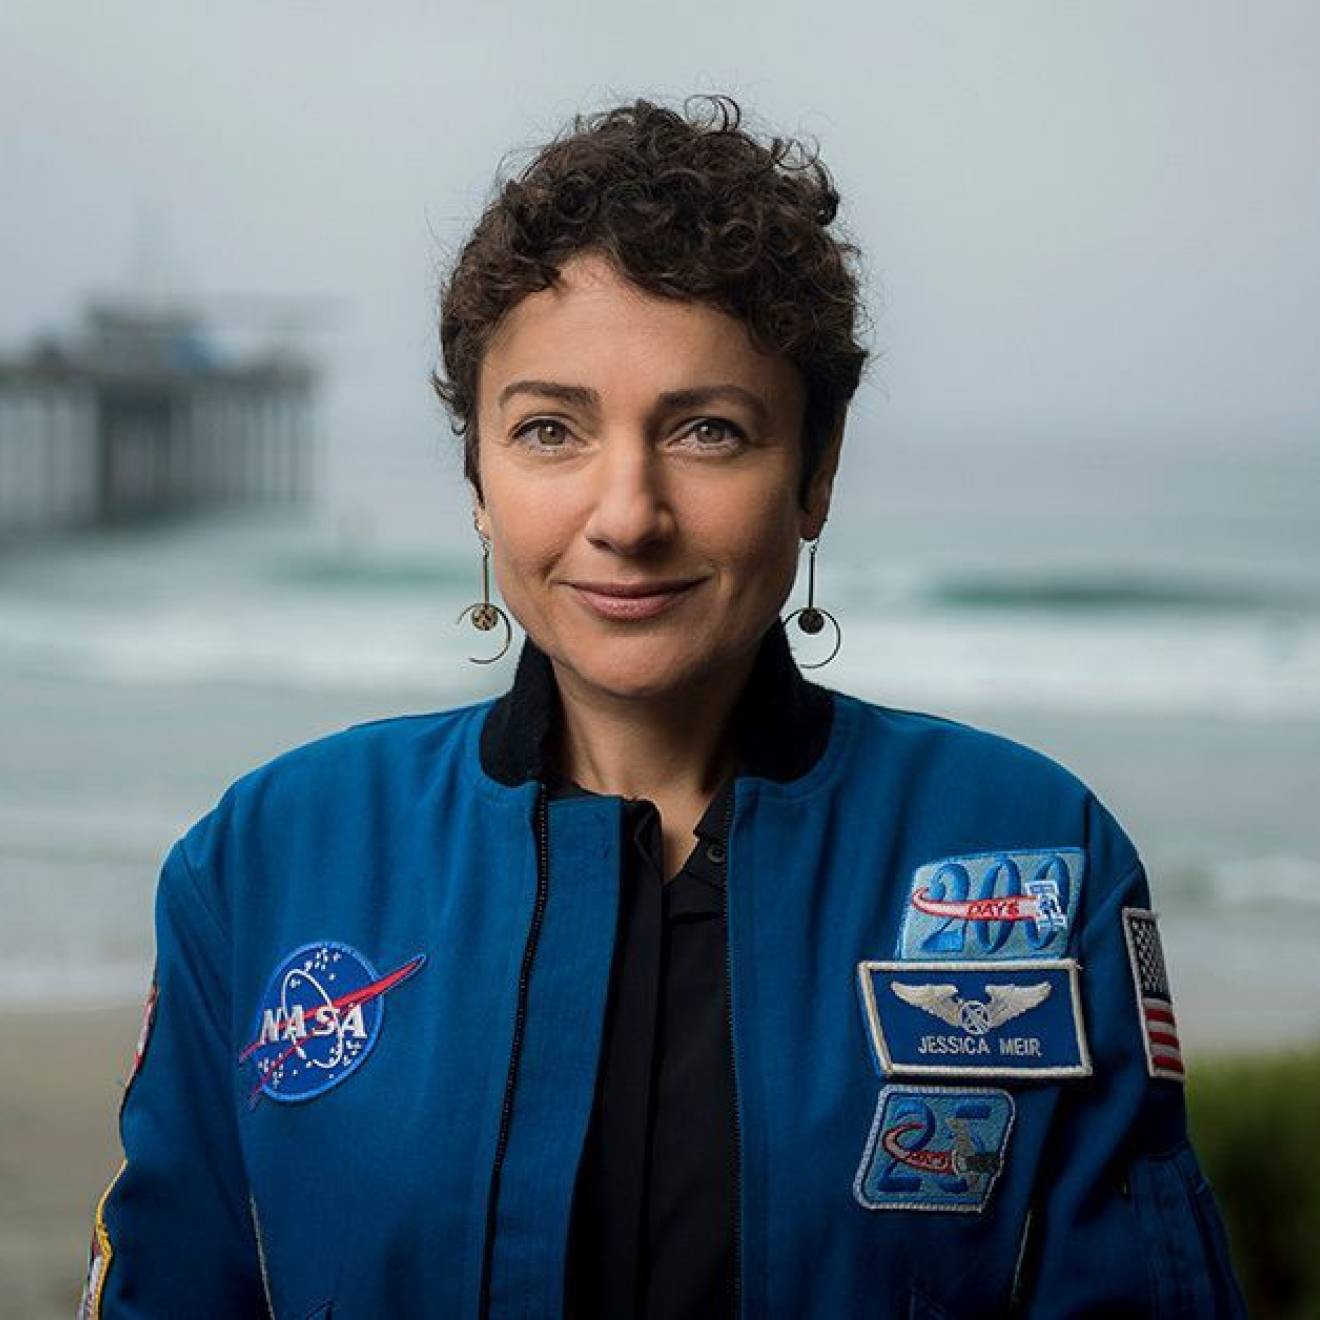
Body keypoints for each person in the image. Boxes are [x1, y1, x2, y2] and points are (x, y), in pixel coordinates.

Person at [80, 95, 1245, 1318]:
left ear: (816, 469)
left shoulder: (1036, 853)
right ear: (475, 474)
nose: (628, 514)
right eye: (548, 429)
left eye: (707, 429)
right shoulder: (267, 860)